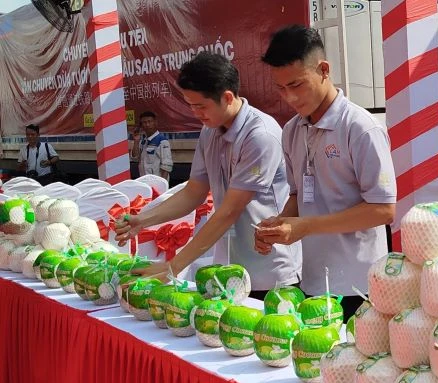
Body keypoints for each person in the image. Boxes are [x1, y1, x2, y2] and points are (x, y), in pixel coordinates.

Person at [115, 52, 302, 298]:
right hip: (229, 268)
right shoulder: (209, 131)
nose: (195, 113)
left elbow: (228, 212)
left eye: (201, 106)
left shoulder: (259, 136)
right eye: (190, 105)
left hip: (270, 269)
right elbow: (194, 192)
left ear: (226, 97)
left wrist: (174, 267)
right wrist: (143, 219)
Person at [257, 25, 396, 320]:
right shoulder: (292, 131)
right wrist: (279, 224)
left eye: (296, 85)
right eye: (281, 88)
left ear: (323, 70)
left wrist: (305, 226)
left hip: (360, 285)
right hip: (313, 281)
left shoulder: (360, 128)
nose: (290, 98)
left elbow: (383, 210)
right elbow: (298, 194)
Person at [130, 111, 173, 181]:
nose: (147, 124)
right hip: (144, 181)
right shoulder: (143, 141)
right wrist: (136, 141)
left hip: (156, 182)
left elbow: (167, 165)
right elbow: (135, 158)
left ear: (155, 122)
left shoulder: (162, 141)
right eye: (144, 122)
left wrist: (162, 184)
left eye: (149, 121)